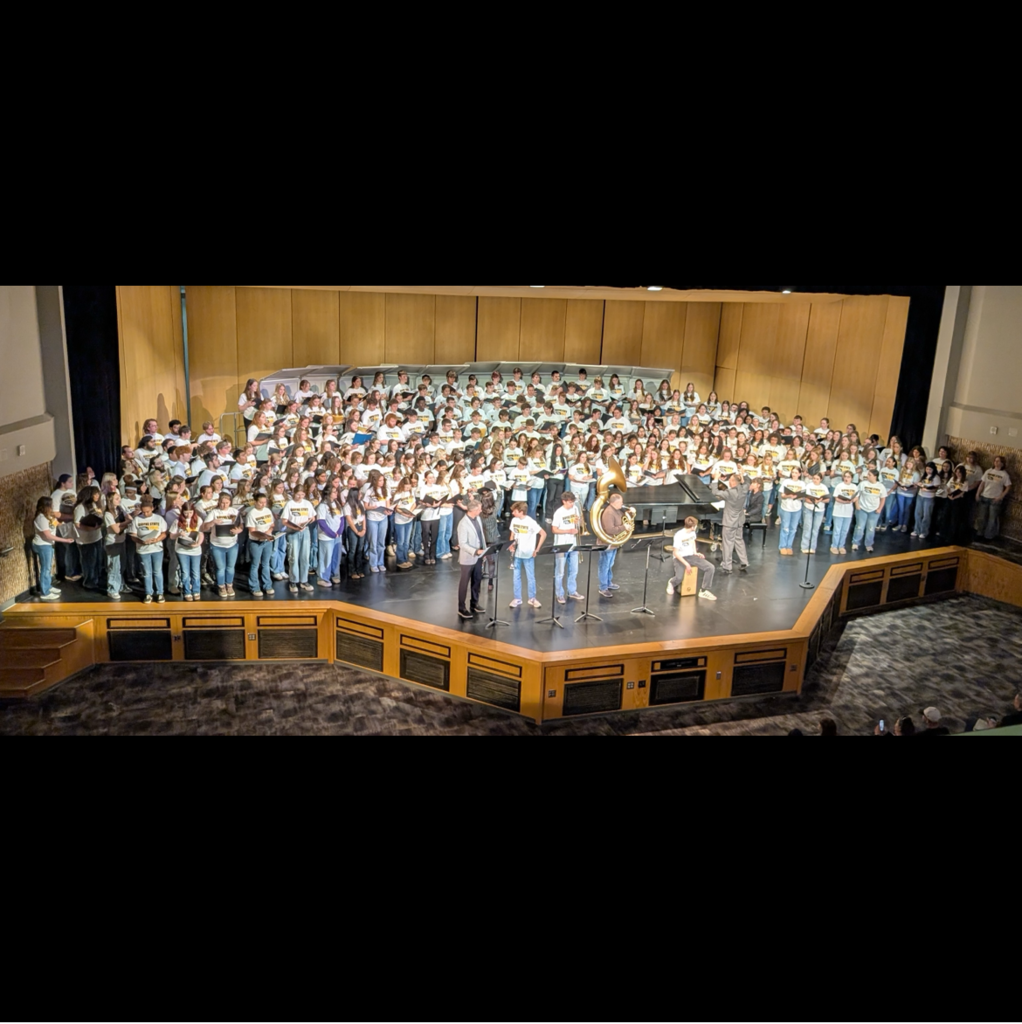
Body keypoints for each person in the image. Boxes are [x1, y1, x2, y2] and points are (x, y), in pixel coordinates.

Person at [127, 495, 168, 604]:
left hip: (157, 549)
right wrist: (141, 541)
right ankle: (148, 593)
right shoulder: (137, 519)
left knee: (157, 571)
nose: (145, 514)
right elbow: (133, 535)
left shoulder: (159, 519)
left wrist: (157, 539)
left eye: (148, 512)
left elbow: (164, 533)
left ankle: (160, 593)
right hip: (143, 550)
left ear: (152, 508)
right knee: (146, 572)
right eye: (144, 512)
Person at [203, 491, 243, 598]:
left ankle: (229, 585)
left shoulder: (235, 511)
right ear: (219, 502)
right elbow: (204, 527)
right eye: (222, 503)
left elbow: (241, 525)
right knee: (220, 568)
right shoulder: (214, 512)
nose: (224, 505)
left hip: (232, 544)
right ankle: (221, 586)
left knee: (230, 567)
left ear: (230, 502)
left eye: (226, 503)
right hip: (217, 544)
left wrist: (238, 530)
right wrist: (212, 522)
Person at [32, 496, 74, 601]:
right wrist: (65, 540)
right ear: (46, 506)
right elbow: (48, 535)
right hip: (42, 545)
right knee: (45, 569)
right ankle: (45, 592)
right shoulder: (41, 518)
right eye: (51, 505)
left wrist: (67, 524)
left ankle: (48, 586)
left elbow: (56, 524)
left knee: (48, 567)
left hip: (48, 545)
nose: (52, 507)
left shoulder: (48, 516)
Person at [667, 516, 716, 600]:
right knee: (679, 577)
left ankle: (703, 591)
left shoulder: (692, 533)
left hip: (690, 555)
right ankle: (671, 582)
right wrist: (686, 564)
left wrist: (695, 553)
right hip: (679, 557)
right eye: (696, 525)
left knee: (710, 568)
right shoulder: (679, 535)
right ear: (693, 527)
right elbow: (675, 553)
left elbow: (692, 541)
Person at [508, 501, 546, 608]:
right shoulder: (514, 520)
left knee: (530, 577)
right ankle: (517, 598)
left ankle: (532, 598)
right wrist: (511, 545)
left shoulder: (531, 522)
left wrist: (537, 549)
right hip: (517, 553)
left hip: (528, 554)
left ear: (521, 512)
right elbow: (512, 534)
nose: (512, 513)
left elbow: (543, 534)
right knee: (516, 577)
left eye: (515, 511)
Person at [550, 491, 585, 603]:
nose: (572, 504)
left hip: (573, 544)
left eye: (572, 502)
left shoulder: (575, 509)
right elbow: (554, 529)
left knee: (574, 570)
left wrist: (578, 522)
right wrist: (568, 531)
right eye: (569, 502)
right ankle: (559, 594)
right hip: (561, 544)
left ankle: (572, 591)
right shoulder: (559, 513)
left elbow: (578, 525)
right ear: (564, 501)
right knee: (560, 572)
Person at [456, 499, 488, 620]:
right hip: (468, 557)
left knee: (477, 580)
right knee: (464, 583)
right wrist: (475, 551)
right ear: (473, 510)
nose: (481, 510)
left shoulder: (478, 518)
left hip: (479, 556)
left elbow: (481, 536)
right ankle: (461, 608)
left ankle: (474, 603)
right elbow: (463, 544)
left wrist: (484, 550)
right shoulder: (463, 524)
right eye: (479, 509)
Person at [715, 466, 750, 574]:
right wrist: (743, 474)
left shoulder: (730, 492)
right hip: (739, 520)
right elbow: (747, 481)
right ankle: (744, 562)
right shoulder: (744, 489)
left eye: (730, 480)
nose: (729, 482)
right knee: (739, 540)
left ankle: (727, 566)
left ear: (734, 482)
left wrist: (715, 479)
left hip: (730, 522)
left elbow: (715, 493)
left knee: (727, 543)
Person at [282, 485, 317, 593]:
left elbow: (313, 517)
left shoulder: (307, 503)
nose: (300, 497)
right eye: (298, 494)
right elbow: (284, 520)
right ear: (294, 493)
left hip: (304, 531)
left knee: (305, 556)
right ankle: (293, 581)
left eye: (302, 494)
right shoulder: (290, 504)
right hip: (293, 532)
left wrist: (308, 521)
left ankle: (304, 580)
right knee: (293, 556)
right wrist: (295, 527)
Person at [244, 492, 276, 597]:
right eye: (260, 502)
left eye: (264, 502)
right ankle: (254, 587)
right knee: (255, 565)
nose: (263, 504)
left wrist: (268, 533)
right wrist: (263, 535)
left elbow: (272, 524)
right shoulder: (252, 513)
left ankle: (267, 585)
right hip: (256, 542)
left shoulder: (267, 511)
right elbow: (252, 531)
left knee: (266, 564)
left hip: (267, 541)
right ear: (255, 502)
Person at [171, 502, 205, 601]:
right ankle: (187, 591)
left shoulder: (198, 520)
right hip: (182, 549)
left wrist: (198, 544)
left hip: (195, 550)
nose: (188, 515)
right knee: (185, 572)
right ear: (182, 512)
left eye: (190, 512)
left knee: (195, 572)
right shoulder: (177, 521)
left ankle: (196, 591)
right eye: (186, 513)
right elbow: (171, 536)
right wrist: (178, 534)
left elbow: (201, 534)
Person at [974, 455, 1012, 540]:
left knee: (992, 519)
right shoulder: (988, 471)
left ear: (1002, 463)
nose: (996, 463)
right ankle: (979, 533)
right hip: (985, 496)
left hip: (995, 498)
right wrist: (978, 493)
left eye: (998, 461)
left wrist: (1001, 496)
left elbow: (1008, 486)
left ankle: (988, 536)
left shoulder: (1004, 474)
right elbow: (982, 483)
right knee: (981, 517)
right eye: (995, 461)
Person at [598, 492, 627, 598]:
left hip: (613, 543)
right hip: (607, 544)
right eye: (621, 502)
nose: (622, 504)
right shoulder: (609, 513)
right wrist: (624, 527)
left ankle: (608, 582)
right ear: (614, 503)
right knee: (604, 566)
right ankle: (603, 587)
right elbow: (610, 529)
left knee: (609, 565)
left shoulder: (617, 510)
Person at [851, 468, 886, 552]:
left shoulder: (880, 486)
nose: (867, 476)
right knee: (859, 527)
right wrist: (857, 505)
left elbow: (883, 498)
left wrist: (879, 509)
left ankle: (869, 544)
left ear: (875, 476)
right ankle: (855, 543)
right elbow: (857, 495)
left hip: (874, 510)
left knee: (871, 528)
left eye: (869, 475)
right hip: (862, 508)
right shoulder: (863, 484)